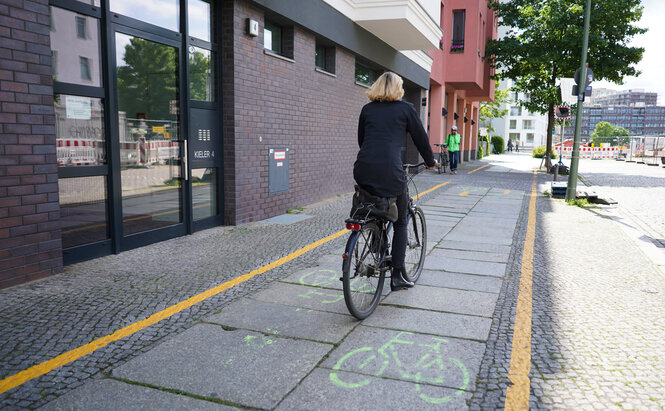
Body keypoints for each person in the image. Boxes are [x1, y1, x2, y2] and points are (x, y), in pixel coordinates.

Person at [354, 72, 438, 291]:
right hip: (391, 170)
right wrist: (430, 161)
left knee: (373, 207)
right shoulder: (406, 109)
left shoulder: (367, 109)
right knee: (401, 221)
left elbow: (362, 140)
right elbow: (421, 138)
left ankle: (375, 237)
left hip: (363, 168)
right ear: (398, 89)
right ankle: (398, 275)